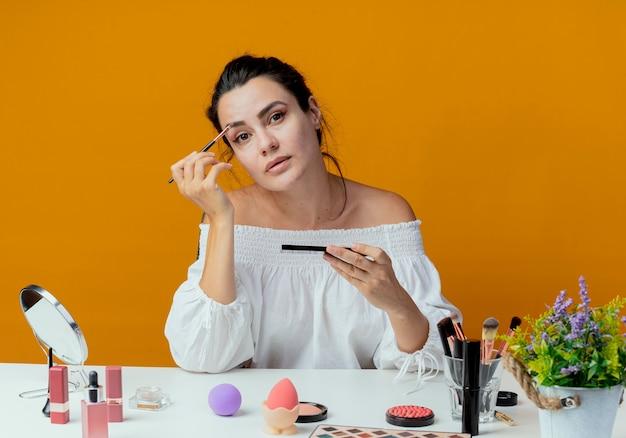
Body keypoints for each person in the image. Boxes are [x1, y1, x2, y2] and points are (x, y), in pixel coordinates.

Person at [164, 55, 460, 373]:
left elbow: (434, 366)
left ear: (313, 113)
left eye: (276, 117)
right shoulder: (229, 217)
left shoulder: (387, 215)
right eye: (243, 136)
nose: (266, 144)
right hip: (261, 419)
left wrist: (398, 302)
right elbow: (204, 359)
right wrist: (222, 220)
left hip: (363, 419)